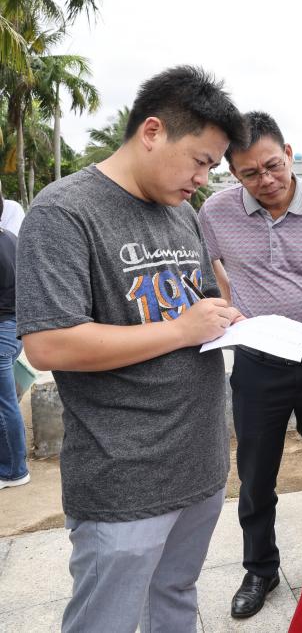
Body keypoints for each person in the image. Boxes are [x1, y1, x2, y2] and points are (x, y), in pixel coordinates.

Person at [16, 66, 246, 633]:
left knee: (175, 597)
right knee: (108, 619)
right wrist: (182, 330)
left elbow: (201, 300)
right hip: (125, 474)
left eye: (213, 168)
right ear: (151, 131)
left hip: (200, 462)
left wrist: (222, 316)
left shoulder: (181, 213)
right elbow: (48, 344)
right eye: (199, 161)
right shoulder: (64, 211)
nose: (203, 178)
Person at [198, 111, 302, 619]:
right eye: (249, 173)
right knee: (255, 473)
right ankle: (260, 567)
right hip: (258, 363)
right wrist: (229, 308)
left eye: (272, 166)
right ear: (232, 172)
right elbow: (209, 278)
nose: (265, 180)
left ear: (289, 154)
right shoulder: (216, 213)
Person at [0, 198, 28, 491]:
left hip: (3, 329)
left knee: (4, 403)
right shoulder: (10, 238)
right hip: (13, 326)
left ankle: (13, 471)